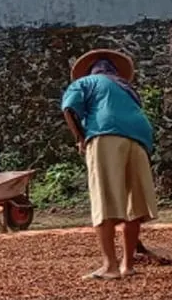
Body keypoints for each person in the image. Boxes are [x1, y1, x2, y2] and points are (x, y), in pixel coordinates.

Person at [61, 49, 158, 280]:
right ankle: (127, 265)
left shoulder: (85, 82)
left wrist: (80, 138)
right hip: (140, 137)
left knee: (104, 198)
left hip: (106, 132)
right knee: (134, 203)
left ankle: (110, 266)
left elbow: (69, 108)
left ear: (91, 71)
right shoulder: (127, 88)